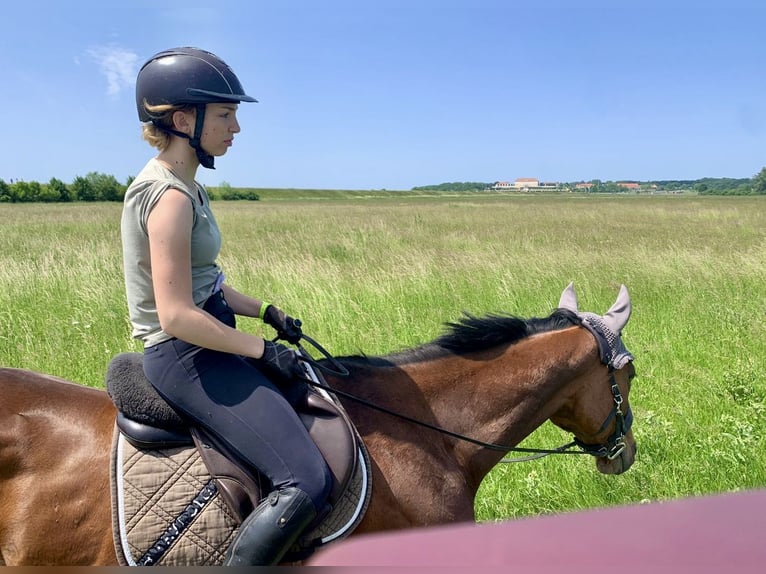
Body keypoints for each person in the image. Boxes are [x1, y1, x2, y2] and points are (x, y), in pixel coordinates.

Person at [121, 47, 332, 566]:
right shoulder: (167, 197)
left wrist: (266, 311)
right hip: (185, 356)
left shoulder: (189, 187)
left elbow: (206, 285)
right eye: (225, 114)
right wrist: (262, 350)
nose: (236, 127)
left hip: (207, 341)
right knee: (305, 479)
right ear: (182, 119)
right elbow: (176, 314)